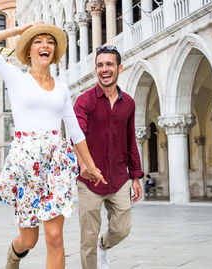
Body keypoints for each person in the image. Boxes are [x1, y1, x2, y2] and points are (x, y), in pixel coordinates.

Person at [0, 22, 105, 269]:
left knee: (55, 238)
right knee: (29, 239)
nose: (44, 45)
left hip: (56, 162)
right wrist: (19, 30)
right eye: (38, 41)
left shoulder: (62, 88)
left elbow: (75, 130)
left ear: (54, 52)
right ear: (29, 51)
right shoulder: (15, 76)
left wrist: (90, 165)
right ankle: (14, 255)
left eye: (50, 41)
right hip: (25, 162)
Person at [73, 45, 144, 269]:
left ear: (119, 68)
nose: (105, 69)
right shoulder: (84, 101)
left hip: (119, 178)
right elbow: (77, 134)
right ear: (96, 70)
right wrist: (83, 164)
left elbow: (130, 140)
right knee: (87, 238)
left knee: (122, 228)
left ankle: (103, 246)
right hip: (89, 179)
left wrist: (135, 176)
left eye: (110, 64)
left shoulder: (129, 103)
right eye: (100, 65)